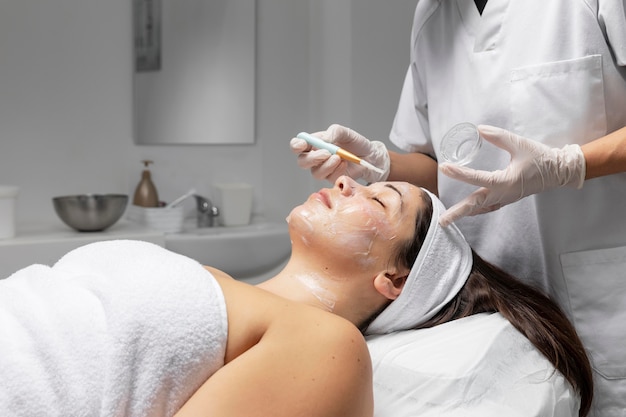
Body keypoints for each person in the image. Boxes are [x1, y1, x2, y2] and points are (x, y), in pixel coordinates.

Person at [0, 177, 592, 416]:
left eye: (378, 198)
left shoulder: (322, 346)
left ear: (396, 281)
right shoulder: (214, 281)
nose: (343, 179)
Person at [290, 1, 626, 415]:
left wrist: (570, 165)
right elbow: (446, 172)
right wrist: (380, 165)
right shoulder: (432, 16)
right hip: (494, 312)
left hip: (605, 300)